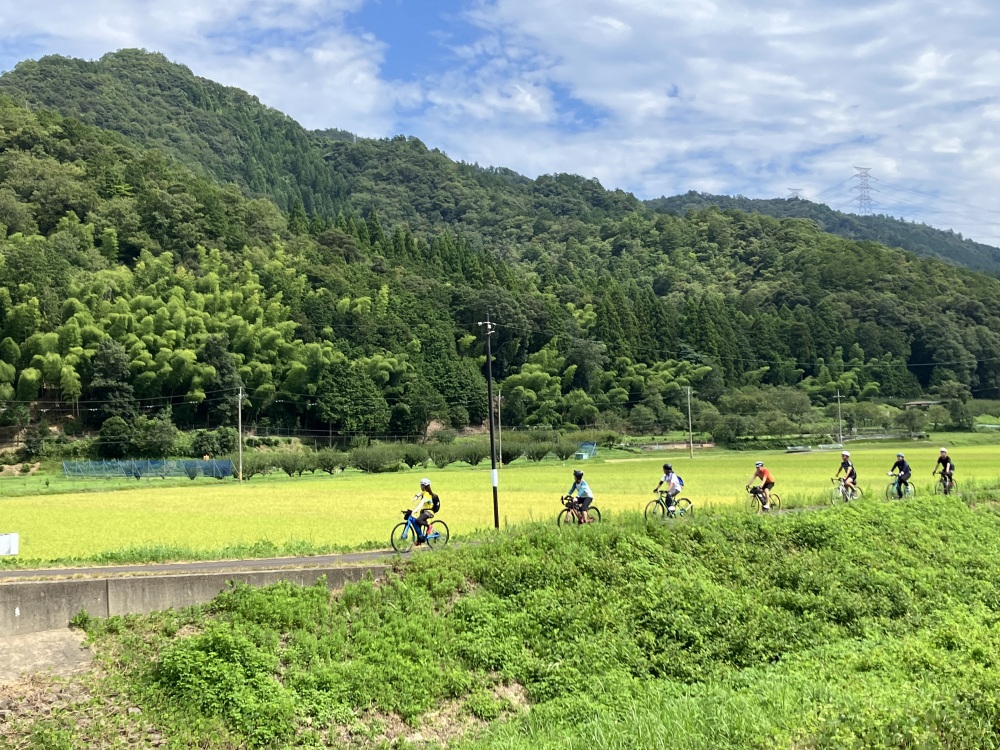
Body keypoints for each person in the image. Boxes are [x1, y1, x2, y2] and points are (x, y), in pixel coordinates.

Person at [410, 477, 440, 543]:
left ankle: (429, 526)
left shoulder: (428, 494)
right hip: (424, 512)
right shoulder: (424, 492)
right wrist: (415, 497)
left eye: (421, 485)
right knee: (418, 525)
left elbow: (421, 503)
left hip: (429, 512)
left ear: (424, 486)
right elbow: (419, 493)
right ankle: (420, 541)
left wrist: (415, 510)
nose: (420, 486)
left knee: (418, 520)